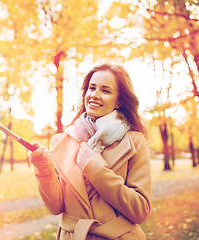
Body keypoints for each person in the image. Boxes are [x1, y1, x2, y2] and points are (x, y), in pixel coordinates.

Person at [28, 63, 151, 240]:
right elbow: (55, 207)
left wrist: (94, 167)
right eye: (91, 88)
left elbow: (140, 210)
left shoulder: (134, 141)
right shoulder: (62, 141)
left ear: (119, 101)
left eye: (105, 91)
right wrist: (43, 168)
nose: (94, 95)